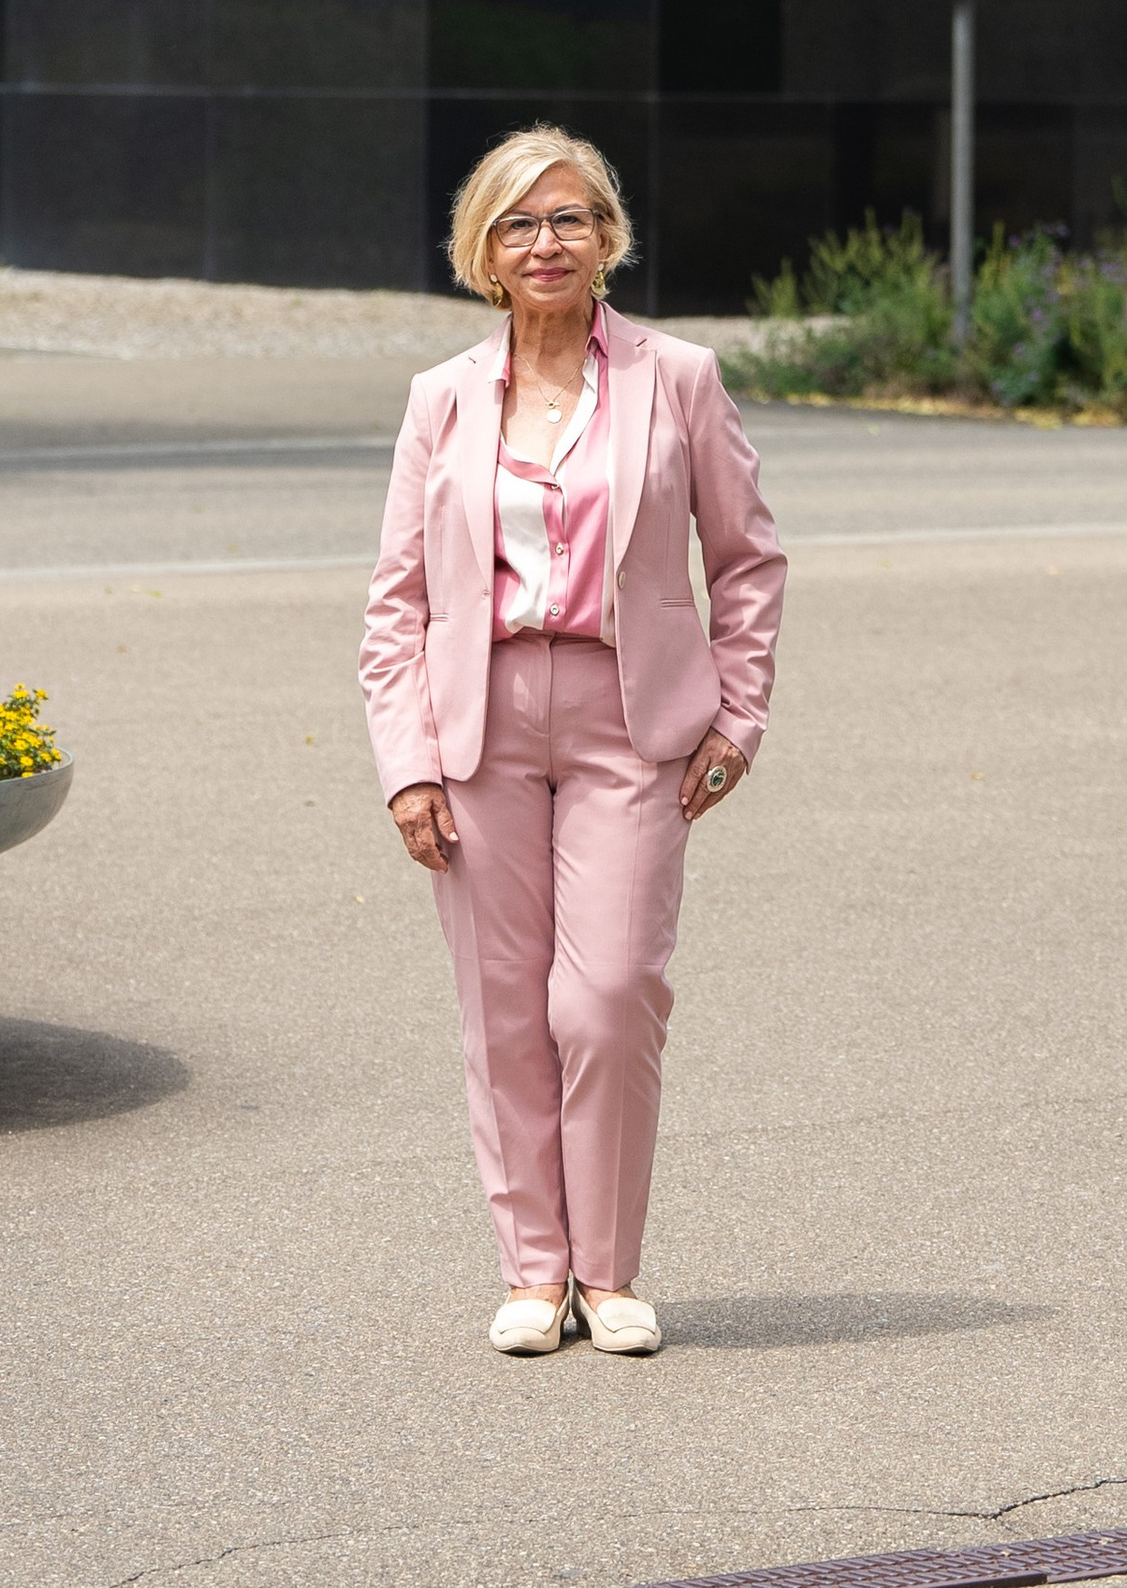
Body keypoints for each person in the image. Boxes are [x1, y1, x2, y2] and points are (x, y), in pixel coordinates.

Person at [358, 123, 786, 1357]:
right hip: (476, 720)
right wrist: (406, 762)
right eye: (518, 223)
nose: (546, 243)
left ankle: (609, 1270)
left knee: (606, 997)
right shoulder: (440, 397)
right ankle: (533, 1271)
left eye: (569, 219)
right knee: (503, 1009)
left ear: (608, 236)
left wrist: (739, 711)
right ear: (481, 249)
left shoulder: (679, 377)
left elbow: (747, 557)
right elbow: (396, 600)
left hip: (629, 717)